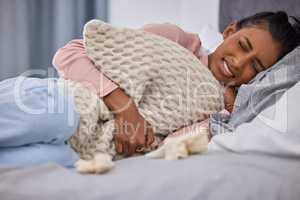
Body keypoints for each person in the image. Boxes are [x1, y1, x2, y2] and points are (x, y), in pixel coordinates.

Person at [0, 11, 299, 166]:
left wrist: (227, 112)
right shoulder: (178, 41)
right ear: (230, 31)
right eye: (242, 45)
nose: (239, 62)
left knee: (36, 166)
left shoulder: (215, 110)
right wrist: (125, 108)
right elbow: (70, 53)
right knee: (53, 117)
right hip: (70, 102)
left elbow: (170, 145)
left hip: (87, 149)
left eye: (256, 67)